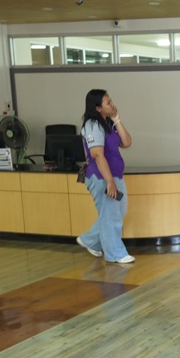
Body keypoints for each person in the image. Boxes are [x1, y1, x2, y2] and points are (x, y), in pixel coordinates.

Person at [77, 89, 134, 264]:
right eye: (108, 102)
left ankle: (90, 240)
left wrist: (117, 120)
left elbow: (126, 142)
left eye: (111, 101)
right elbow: (97, 155)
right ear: (98, 108)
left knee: (119, 211)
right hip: (101, 176)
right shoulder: (92, 125)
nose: (112, 104)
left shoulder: (108, 123)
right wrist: (109, 181)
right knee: (111, 216)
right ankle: (115, 253)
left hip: (115, 175)